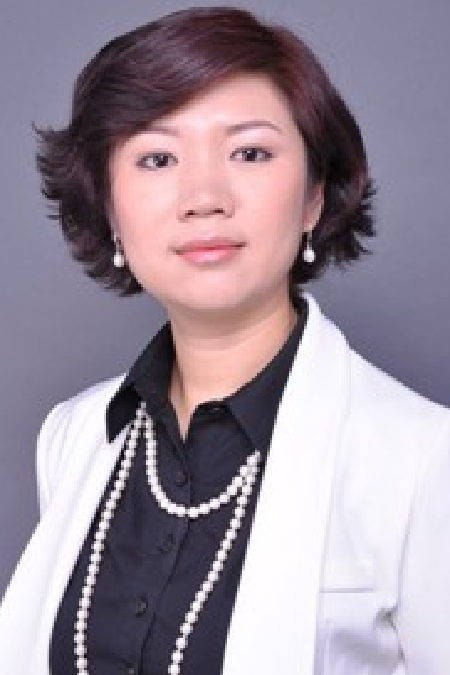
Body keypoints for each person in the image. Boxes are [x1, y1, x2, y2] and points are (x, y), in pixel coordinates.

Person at [1, 6, 449, 675]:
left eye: (250, 153)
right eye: (157, 158)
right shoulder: (74, 434)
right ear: (110, 208)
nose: (204, 196)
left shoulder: (423, 460)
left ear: (313, 196)